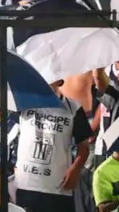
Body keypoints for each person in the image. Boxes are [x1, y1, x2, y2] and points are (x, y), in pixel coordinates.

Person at [14, 79, 93, 212]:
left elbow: (84, 147)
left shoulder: (73, 107)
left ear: (60, 81)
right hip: (25, 184)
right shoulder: (23, 102)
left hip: (58, 186)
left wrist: (75, 170)